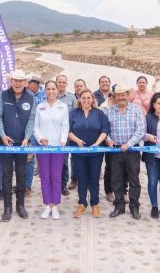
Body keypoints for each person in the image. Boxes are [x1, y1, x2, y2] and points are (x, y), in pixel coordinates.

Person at [0, 69, 36, 222]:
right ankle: (7, 207)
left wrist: (27, 137)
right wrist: (2, 135)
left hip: (22, 144)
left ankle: (20, 205)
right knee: (6, 175)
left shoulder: (31, 97)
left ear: (25, 82)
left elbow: (31, 120)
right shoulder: (3, 95)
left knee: (21, 174)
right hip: (5, 143)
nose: (18, 83)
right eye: (15, 80)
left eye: (21, 81)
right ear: (11, 81)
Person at [69, 89, 110, 218]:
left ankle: (95, 204)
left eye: (88, 98)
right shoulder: (73, 113)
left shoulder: (99, 113)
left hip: (95, 152)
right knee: (81, 178)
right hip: (78, 151)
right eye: (83, 98)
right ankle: (82, 203)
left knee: (94, 177)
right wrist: (77, 140)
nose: (86, 100)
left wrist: (97, 144)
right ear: (79, 99)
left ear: (92, 99)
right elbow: (68, 130)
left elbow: (105, 130)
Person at [107, 84, 144, 220]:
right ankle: (119, 207)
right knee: (116, 180)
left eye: (123, 94)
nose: (121, 97)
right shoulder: (110, 111)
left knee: (134, 180)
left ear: (128, 95)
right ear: (115, 97)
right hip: (116, 150)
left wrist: (129, 144)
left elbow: (140, 130)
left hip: (132, 150)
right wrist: (109, 140)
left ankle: (134, 208)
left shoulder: (136, 110)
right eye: (118, 95)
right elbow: (106, 130)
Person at [34, 80, 69, 219]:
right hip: (42, 147)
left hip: (58, 147)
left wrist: (63, 141)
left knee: (56, 175)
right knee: (45, 176)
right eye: (48, 89)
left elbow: (65, 126)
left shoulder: (63, 107)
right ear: (45, 91)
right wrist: (40, 138)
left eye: (53, 89)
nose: (51, 91)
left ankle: (55, 205)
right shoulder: (40, 107)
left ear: (57, 90)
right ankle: (47, 204)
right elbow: (36, 127)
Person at [26, 74, 46, 197]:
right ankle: (26, 185)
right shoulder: (25, 94)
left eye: (29, 83)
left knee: (43, 159)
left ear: (36, 84)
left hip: (41, 131)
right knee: (28, 159)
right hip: (28, 131)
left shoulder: (44, 95)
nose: (27, 85)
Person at [56, 74, 77, 195]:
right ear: (56, 82)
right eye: (60, 82)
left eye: (64, 82)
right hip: (52, 135)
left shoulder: (71, 98)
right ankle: (54, 184)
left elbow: (75, 116)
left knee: (64, 161)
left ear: (66, 84)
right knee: (53, 161)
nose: (61, 84)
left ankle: (63, 185)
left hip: (66, 135)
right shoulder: (50, 95)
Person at [99, 92, 116, 202]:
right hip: (106, 140)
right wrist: (107, 139)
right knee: (109, 167)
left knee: (123, 168)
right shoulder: (103, 108)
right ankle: (109, 191)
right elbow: (102, 126)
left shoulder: (125, 105)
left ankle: (124, 191)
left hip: (121, 141)